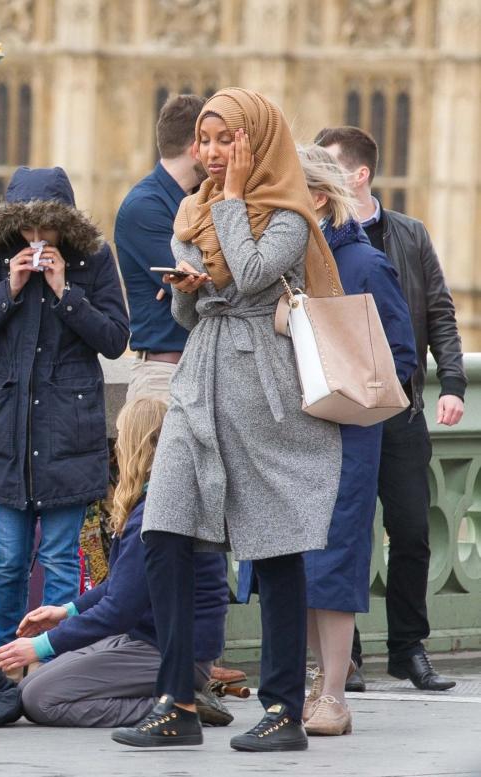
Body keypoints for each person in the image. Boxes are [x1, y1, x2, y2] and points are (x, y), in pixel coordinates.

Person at [111, 88, 343, 754]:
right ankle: (177, 698)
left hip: (263, 385)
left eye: (225, 141)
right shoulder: (197, 208)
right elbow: (202, 308)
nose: (211, 154)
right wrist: (186, 291)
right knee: (164, 530)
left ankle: (283, 708)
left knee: (273, 547)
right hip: (200, 377)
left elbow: (249, 275)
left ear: (255, 142)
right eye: (204, 142)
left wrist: (235, 198)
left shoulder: (290, 213)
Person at [236, 146, 418, 736]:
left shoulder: (363, 263)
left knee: (333, 564)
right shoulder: (283, 263)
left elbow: (400, 356)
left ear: (315, 197)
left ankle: (334, 692)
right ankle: (313, 680)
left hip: (342, 435)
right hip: (286, 434)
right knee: (292, 562)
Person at [316, 125, 465, 693]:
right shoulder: (314, 242)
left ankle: (408, 648)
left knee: (411, 531)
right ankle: (344, 657)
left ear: (359, 175)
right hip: (340, 410)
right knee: (343, 536)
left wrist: (452, 381)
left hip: (400, 408)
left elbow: (441, 313)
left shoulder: (410, 234)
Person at [0, 167, 130, 648]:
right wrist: (8, 289)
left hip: (67, 435)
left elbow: (115, 339)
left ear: (64, 225)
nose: (35, 239)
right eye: (26, 229)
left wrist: (64, 292)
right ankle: (4, 655)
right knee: (8, 559)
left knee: (59, 558)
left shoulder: (93, 259)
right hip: (7, 434)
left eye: (45, 228)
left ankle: (53, 659)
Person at [0, 398, 230, 729]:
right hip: (146, 640)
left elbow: (120, 608)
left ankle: (178, 705)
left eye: (119, 435)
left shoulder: (159, 511)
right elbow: (123, 587)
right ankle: (174, 698)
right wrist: (67, 611)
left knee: (41, 698)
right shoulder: (155, 500)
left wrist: (39, 646)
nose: (115, 448)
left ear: (137, 443)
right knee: (28, 687)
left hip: (173, 652)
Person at [116, 94, 206, 402]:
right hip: (164, 377)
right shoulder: (145, 207)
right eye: (212, 142)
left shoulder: (200, 200)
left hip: (202, 372)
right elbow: (202, 285)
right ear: (197, 148)